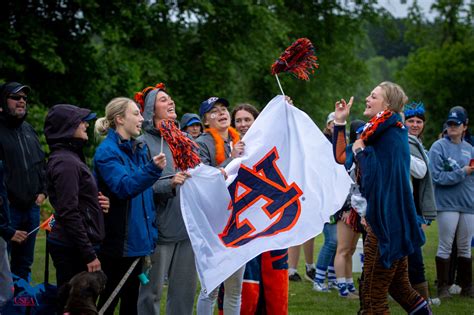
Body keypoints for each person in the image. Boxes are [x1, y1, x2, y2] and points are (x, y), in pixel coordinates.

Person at [334, 82, 430, 313]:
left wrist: (359, 151)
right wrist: (340, 122)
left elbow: (376, 174)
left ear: (386, 104)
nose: (367, 97)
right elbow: (340, 157)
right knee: (400, 288)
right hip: (387, 221)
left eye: (373, 95)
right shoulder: (376, 131)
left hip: (387, 224)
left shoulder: (393, 133)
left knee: (372, 298)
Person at [94, 97, 166, 315]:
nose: (141, 118)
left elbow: (143, 194)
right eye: (136, 113)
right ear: (119, 119)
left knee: (130, 304)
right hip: (119, 245)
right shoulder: (107, 152)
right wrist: (152, 169)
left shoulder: (138, 148)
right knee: (108, 303)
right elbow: (124, 187)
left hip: (138, 242)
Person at [136, 84, 197, 315]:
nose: (170, 102)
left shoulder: (184, 140)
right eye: (163, 100)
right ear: (151, 110)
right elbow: (138, 186)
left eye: (170, 98)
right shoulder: (142, 143)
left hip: (187, 229)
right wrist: (169, 184)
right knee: (150, 293)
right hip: (158, 231)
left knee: (184, 293)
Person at [44, 104, 109, 292]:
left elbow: (77, 201)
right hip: (72, 248)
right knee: (76, 305)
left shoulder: (70, 157)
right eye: (81, 121)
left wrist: (97, 204)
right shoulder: (66, 163)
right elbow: (68, 211)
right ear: (67, 127)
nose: (86, 125)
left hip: (76, 245)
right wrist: (88, 254)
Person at [196, 96, 245, 315]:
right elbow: (203, 178)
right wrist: (231, 159)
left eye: (224, 109)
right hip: (214, 224)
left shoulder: (240, 140)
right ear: (206, 121)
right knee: (211, 288)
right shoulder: (201, 143)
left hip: (238, 219)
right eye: (214, 111)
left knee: (235, 289)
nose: (222, 113)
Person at [0, 82, 47, 283]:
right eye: (15, 97)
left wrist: (43, 191)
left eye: (24, 98)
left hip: (31, 210)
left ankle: (20, 309)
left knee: (24, 267)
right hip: (7, 212)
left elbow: (41, 164)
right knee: (3, 269)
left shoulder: (28, 130)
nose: (21, 101)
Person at [429, 107, 474, 299]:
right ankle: (443, 286)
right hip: (447, 203)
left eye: (456, 124)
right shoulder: (438, 146)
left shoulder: (470, 148)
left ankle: (467, 286)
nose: (452, 127)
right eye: (450, 124)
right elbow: (437, 177)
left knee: (465, 246)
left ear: (465, 126)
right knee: (445, 245)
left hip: (468, 203)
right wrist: (462, 172)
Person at [403, 101, 437, 301]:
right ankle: (420, 299)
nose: (415, 124)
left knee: (411, 252)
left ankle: (410, 294)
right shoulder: (404, 142)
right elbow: (420, 171)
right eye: (411, 121)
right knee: (413, 254)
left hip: (417, 205)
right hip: (407, 205)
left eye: (418, 121)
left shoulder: (420, 146)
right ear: (404, 122)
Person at [331, 119, 366, 299]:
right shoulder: (347, 154)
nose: (363, 135)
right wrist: (344, 209)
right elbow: (343, 184)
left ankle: (350, 284)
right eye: (360, 132)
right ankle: (342, 287)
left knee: (351, 250)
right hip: (346, 209)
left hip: (358, 209)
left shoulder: (363, 151)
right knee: (343, 249)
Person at [312, 112, 338, 293]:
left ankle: (333, 277)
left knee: (337, 241)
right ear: (328, 125)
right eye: (334, 123)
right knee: (332, 240)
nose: (337, 126)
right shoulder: (322, 144)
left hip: (337, 198)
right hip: (324, 197)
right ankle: (318, 280)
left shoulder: (340, 143)